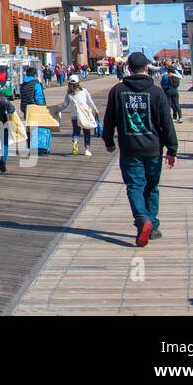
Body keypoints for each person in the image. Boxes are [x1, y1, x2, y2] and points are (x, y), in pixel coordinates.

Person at [102, 52, 178, 247]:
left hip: (129, 148)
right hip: (153, 149)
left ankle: (142, 219)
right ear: (146, 68)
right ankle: (151, 225)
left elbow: (109, 118)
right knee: (152, 186)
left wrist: (108, 140)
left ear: (127, 67)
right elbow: (166, 123)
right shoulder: (157, 92)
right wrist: (172, 149)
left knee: (135, 186)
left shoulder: (118, 91)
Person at [60, 75, 100, 157]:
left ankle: (75, 143)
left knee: (76, 131)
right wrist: (96, 110)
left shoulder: (69, 94)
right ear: (78, 82)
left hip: (74, 116)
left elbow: (64, 105)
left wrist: (57, 110)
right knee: (87, 132)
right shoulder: (84, 91)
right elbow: (90, 101)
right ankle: (87, 149)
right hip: (85, 116)